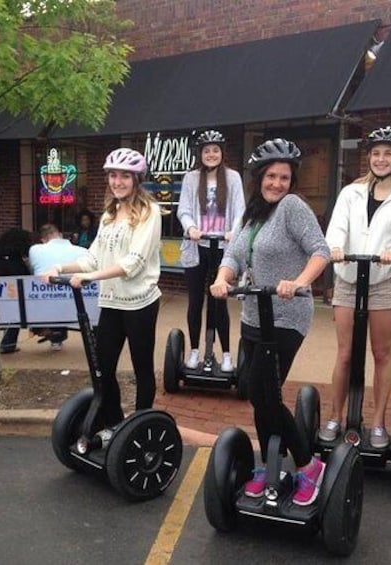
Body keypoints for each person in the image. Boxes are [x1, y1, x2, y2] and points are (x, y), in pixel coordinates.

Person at [210, 138, 330, 506]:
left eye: (284, 177)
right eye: (271, 176)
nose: (277, 183)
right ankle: (271, 466)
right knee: (256, 394)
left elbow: (320, 251)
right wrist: (221, 278)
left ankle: (310, 466)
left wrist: (299, 282)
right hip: (252, 314)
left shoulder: (293, 207)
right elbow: (234, 254)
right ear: (259, 177)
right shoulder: (252, 212)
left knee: (267, 394)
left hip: (286, 316)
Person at [43, 148, 163, 431]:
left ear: (136, 179)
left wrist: (92, 277)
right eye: (113, 175)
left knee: (141, 368)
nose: (117, 181)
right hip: (111, 302)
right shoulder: (110, 214)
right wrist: (60, 269)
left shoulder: (150, 212)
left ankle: (142, 427)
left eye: (124, 176)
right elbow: (92, 258)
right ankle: (115, 424)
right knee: (102, 368)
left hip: (140, 303)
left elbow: (133, 262)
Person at [319, 126, 391, 449]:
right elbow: (336, 229)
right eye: (376, 153)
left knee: (381, 353)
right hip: (349, 279)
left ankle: (377, 422)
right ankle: (336, 415)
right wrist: (334, 247)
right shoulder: (351, 192)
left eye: (387, 153)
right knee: (345, 353)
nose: (381, 159)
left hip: (385, 281)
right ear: (369, 157)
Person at [177, 129, 245, 371]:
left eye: (215, 150)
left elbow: (240, 211)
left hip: (222, 249)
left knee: (220, 301)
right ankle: (195, 350)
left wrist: (233, 232)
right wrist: (191, 227)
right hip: (197, 248)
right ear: (200, 154)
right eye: (207, 150)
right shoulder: (191, 178)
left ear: (222, 153)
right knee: (195, 302)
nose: (211, 154)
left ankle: (226, 353)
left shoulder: (233, 178)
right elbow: (183, 209)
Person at [28, 223, 88, 351]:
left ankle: (56, 337)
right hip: (79, 305)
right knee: (65, 297)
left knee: (52, 297)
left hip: (42, 307)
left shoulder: (35, 250)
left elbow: (33, 270)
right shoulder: (83, 251)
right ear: (60, 235)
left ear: (43, 239)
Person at [0, 228, 33, 354]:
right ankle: (8, 343)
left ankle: (8, 343)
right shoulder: (15, 262)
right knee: (19, 306)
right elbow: (27, 280)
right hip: (11, 306)